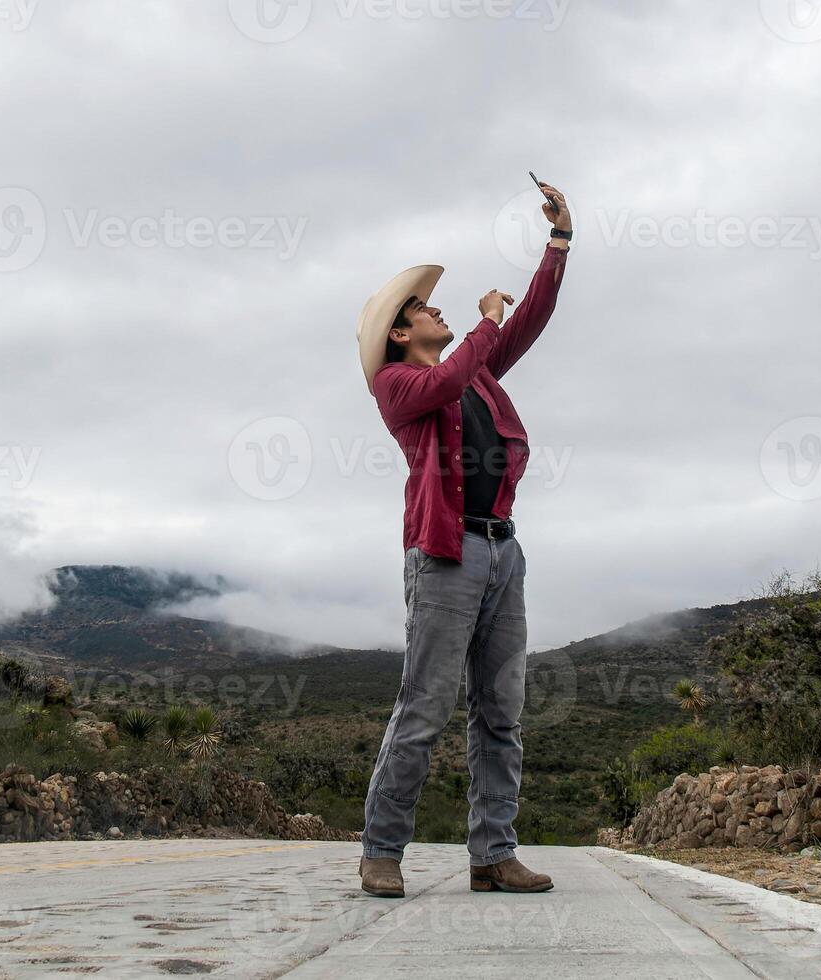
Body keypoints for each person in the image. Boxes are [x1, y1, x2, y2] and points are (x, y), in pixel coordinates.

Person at [352, 182, 572, 898]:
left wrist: (557, 246)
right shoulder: (397, 385)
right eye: (421, 309)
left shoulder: (471, 374)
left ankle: (492, 855)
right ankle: (381, 852)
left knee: (500, 712)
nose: (435, 310)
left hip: (502, 550)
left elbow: (526, 326)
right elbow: (450, 375)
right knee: (423, 706)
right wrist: (481, 323)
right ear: (397, 335)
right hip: (445, 555)